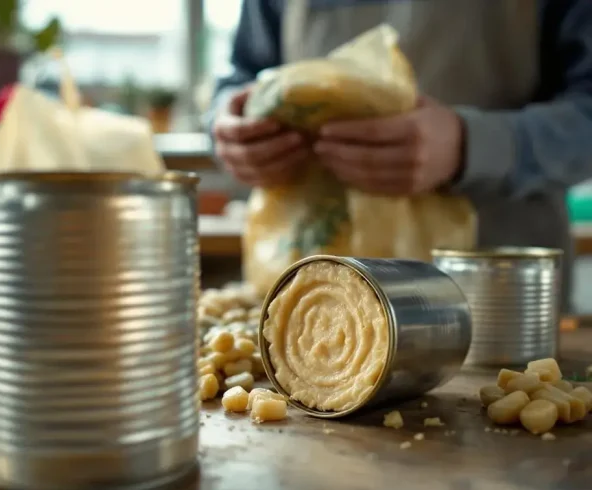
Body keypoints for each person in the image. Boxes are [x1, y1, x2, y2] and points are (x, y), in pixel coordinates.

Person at [209, 0, 592, 311]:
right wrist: (229, 123)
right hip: (302, 297)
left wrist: (472, 145)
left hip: (500, 307)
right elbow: (241, 73)